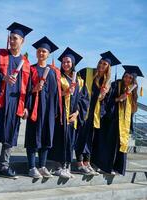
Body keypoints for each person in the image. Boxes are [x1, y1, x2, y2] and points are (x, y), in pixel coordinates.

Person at [0, 22, 32, 181]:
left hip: (15, 103)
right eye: (10, 38)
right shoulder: (0, 54)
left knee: (10, 135)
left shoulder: (26, 63)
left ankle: (4, 166)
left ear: (22, 41)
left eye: (15, 38)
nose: (12, 41)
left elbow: (29, 87)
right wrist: (3, 78)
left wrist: (26, 106)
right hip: (0, 100)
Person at [75, 51, 121, 175]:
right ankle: (79, 162)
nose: (101, 65)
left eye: (104, 64)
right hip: (83, 110)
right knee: (81, 136)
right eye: (100, 62)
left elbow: (104, 102)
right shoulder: (87, 72)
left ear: (108, 67)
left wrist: (104, 94)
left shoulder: (107, 83)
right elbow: (76, 86)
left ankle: (87, 162)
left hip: (94, 114)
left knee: (90, 138)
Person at [92, 65, 143, 175]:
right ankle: (105, 167)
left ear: (133, 80)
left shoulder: (133, 91)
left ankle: (117, 167)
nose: (127, 79)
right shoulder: (116, 85)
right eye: (126, 76)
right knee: (110, 144)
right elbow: (106, 101)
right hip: (112, 121)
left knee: (120, 145)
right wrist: (119, 99)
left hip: (124, 123)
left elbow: (132, 110)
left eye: (130, 78)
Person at [48, 47, 89, 179]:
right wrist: (65, 92)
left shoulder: (80, 81)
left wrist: (77, 113)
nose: (65, 64)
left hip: (72, 117)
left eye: (68, 62)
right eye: (64, 62)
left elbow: (84, 99)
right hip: (60, 115)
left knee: (70, 141)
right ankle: (58, 167)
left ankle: (66, 167)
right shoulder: (57, 77)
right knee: (59, 140)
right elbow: (52, 94)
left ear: (73, 64)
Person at [25, 36, 59, 179]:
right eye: (39, 51)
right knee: (33, 136)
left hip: (49, 109)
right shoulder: (31, 69)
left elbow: (55, 93)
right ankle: (32, 167)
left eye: (44, 51)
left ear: (48, 54)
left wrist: (55, 110)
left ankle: (42, 166)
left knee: (46, 136)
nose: (41, 53)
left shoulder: (52, 72)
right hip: (35, 108)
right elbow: (25, 89)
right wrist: (34, 89)